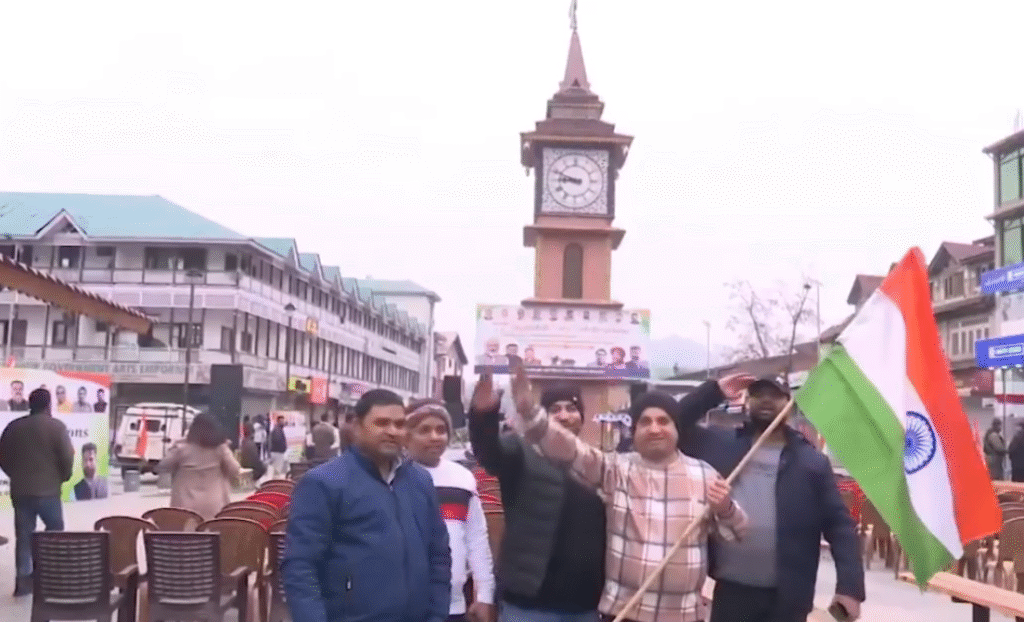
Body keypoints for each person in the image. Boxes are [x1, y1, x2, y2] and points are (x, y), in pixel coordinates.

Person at [502, 365, 747, 622]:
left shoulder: (705, 475)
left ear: (677, 429)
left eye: (664, 421)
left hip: (683, 615)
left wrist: (726, 508)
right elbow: (568, 448)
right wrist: (531, 413)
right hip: (624, 614)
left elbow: (736, 532)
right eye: (645, 422)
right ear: (634, 431)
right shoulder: (615, 470)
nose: (654, 429)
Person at [675, 376, 865, 622]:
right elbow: (671, 423)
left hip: (788, 600)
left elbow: (840, 526)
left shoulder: (812, 463)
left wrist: (850, 588)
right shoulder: (720, 443)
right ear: (746, 402)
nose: (766, 400)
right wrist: (714, 391)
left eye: (774, 395)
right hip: (731, 593)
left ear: (788, 402)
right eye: (758, 394)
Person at [283, 388, 451, 622]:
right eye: (382, 423)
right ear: (357, 427)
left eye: (399, 424)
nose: (392, 431)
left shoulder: (420, 481)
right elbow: (301, 567)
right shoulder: (324, 483)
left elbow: (439, 555)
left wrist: (437, 615)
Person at [468, 376, 606, 622]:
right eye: (554, 409)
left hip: (586, 607)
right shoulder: (521, 451)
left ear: (582, 416)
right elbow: (489, 452)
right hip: (529, 607)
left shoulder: (597, 465)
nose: (563, 416)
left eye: (571, 408)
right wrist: (483, 416)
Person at [406, 398, 496, 622]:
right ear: (406, 436)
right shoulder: (392, 478)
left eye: (441, 430)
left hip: (452, 607)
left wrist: (485, 595)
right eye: (424, 430)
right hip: (402, 607)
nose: (435, 437)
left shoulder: (462, 478)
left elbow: (476, 539)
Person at [0, 388, 74, 596]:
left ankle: (23, 583)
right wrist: (63, 477)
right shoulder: (57, 427)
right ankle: (51, 578)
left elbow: (2, 457)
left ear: (29, 404)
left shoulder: (13, 427)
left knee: (23, 535)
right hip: (49, 491)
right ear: (49, 405)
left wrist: (15, 474)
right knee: (55, 531)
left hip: (21, 491)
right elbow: (67, 459)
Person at [157, 413, 242, 520]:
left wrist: (176, 444)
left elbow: (163, 465)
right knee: (211, 534)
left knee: (186, 535)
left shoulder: (182, 447)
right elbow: (235, 470)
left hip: (184, 504)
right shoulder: (221, 449)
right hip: (214, 503)